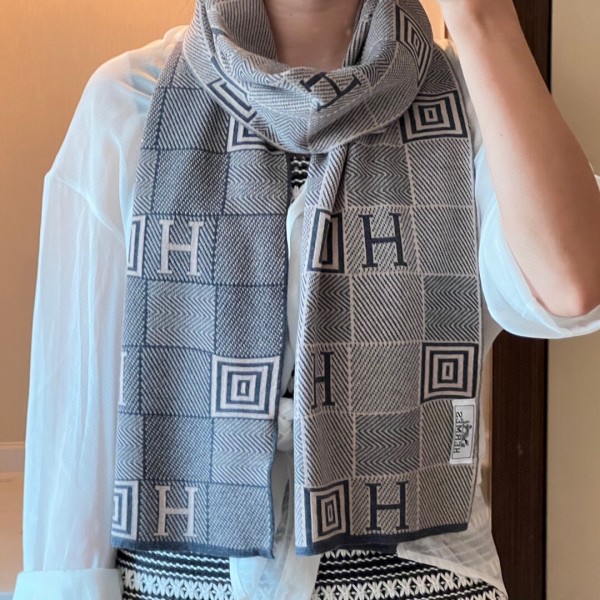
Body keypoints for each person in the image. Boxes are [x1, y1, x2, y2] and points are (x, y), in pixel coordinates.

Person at [13, 0, 600, 599]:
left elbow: (569, 288)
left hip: (422, 580)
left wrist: (483, 20)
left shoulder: (469, 101)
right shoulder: (132, 99)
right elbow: (77, 416)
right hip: (178, 580)